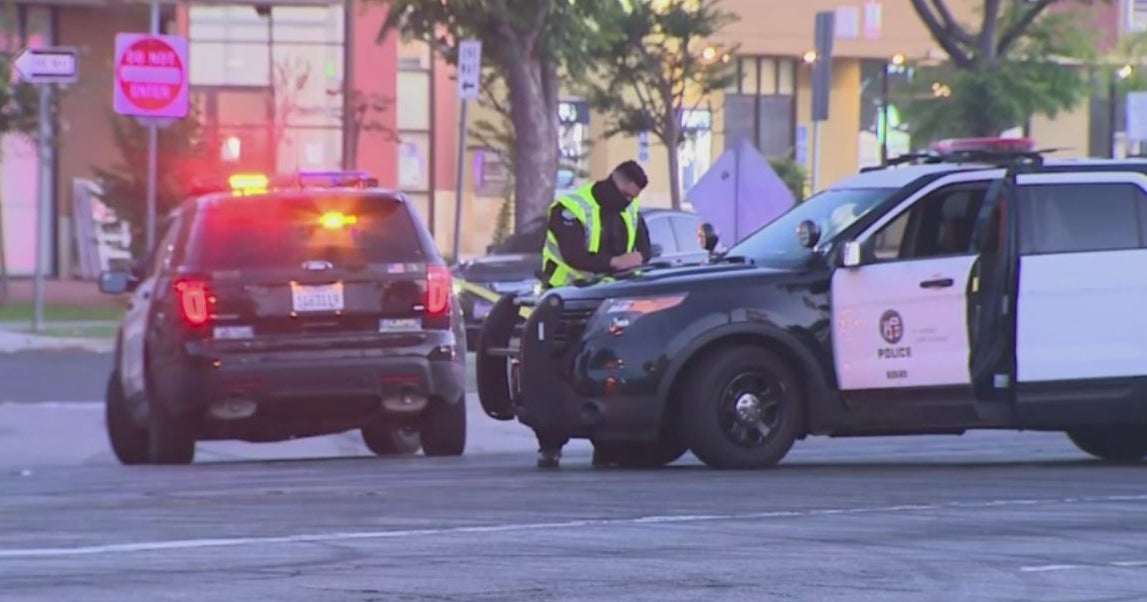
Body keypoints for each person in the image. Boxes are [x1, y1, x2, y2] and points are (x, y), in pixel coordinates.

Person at [534, 160, 653, 469]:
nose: (628, 201)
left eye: (633, 197)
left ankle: (609, 444)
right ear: (614, 179)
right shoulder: (571, 208)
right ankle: (550, 445)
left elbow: (644, 250)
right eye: (625, 194)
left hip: (612, 303)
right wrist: (616, 262)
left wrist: (635, 259)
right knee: (557, 373)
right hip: (564, 303)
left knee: (610, 372)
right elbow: (574, 256)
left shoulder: (631, 209)